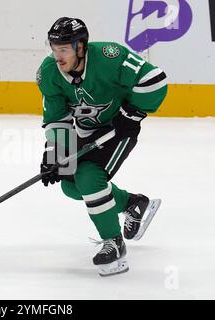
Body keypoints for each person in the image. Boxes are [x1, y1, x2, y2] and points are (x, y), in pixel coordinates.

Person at [37, 17, 167, 276]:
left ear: (81, 46)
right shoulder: (49, 72)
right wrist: (56, 154)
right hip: (86, 132)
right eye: (54, 48)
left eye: (64, 49)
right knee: (71, 186)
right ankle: (133, 203)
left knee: (88, 177)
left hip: (118, 131)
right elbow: (56, 118)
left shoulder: (110, 56)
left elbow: (155, 80)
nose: (57, 55)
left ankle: (114, 244)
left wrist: (132, 114)